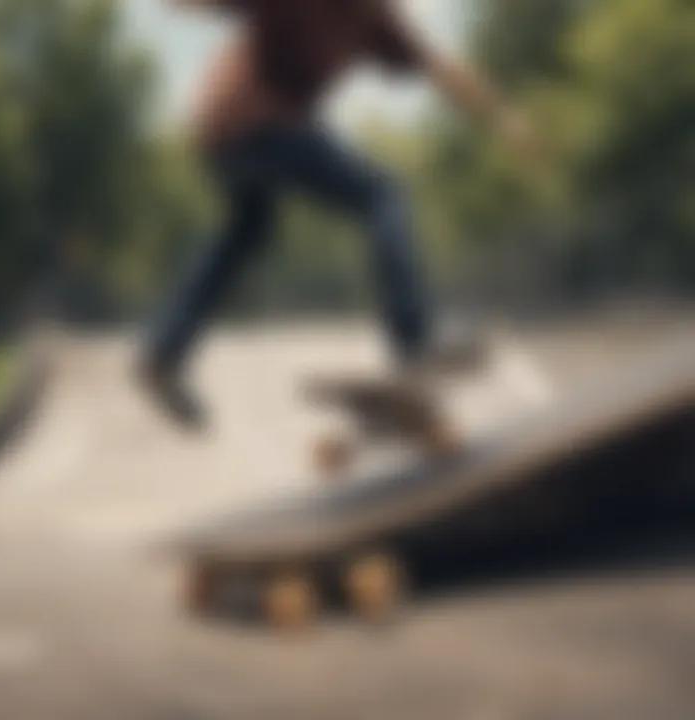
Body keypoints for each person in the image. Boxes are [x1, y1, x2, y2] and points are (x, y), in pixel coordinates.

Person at [139, 0, 537, 431]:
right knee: (382, 197)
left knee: (247, 231)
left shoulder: (378, 19)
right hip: (262, 122)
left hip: (220, 132)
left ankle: (165, 350)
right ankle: (414, 338)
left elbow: (438, 66)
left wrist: (502, 116)